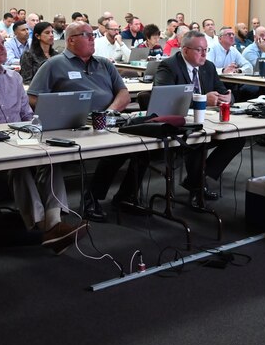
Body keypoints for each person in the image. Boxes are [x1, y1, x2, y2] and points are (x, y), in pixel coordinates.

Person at [0, 24, 83, 252]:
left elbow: (27, 116)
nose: (3, 49)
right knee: (18, 167)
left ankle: (54, 223)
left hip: (21, 139)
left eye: (3, 43)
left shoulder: (12, 78)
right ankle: (42, 225)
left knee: (52, 160)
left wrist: (37, 130)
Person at [27, 21, 133, 222]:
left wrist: (108, 114)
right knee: (112, 152)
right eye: (86, 35)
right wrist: (60, 111)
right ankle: (92, 198)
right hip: (72, 126)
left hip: (108, 122)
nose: (93, 38)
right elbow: (32, 97)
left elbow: (124, 94)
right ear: (71, 40)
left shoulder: (104, 63)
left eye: (92, 34)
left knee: (143, 146)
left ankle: (127, 196)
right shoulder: (53, 64)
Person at [154, 30, 243, 208]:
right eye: (199, 50)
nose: (204, 54)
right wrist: (201, 99)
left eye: (206, 50)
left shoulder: (208, 67)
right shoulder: (169, 66)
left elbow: (223, 90)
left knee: (237, 137)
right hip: (178, 125)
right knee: (197, 141)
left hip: (207, 122)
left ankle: (200, 178)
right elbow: (164, 100)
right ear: (185, 50)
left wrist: (228, 97)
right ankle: (197, 186)